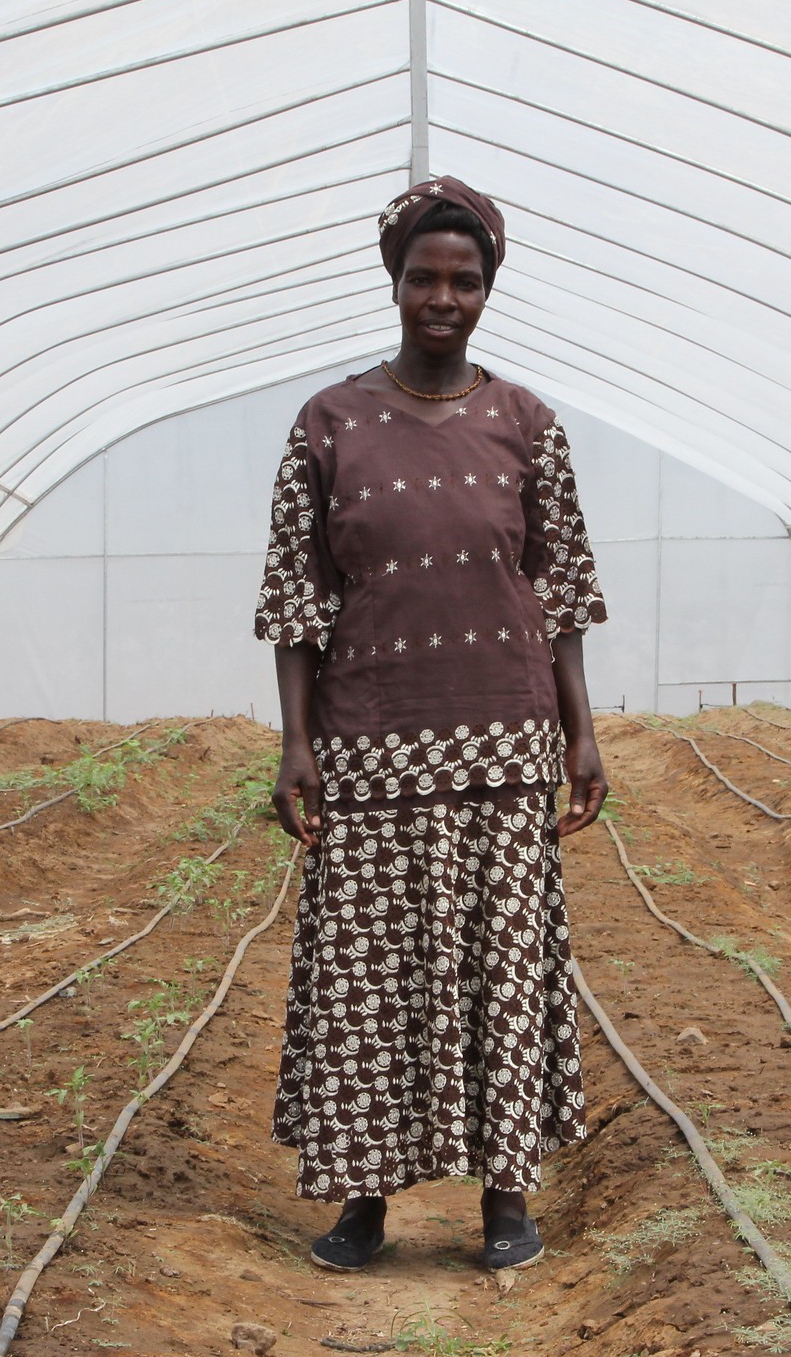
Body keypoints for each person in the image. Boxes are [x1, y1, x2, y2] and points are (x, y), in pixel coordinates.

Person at [254, 176, 608, 1274]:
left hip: (503, 743)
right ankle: (363, 1205)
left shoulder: (525, 426)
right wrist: (296, 743)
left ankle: (505, 1202)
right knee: (365, 976)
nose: (441, 297)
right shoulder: (328, 423)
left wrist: (580, 734)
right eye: (424, 278)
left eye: (463, 279)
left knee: (499, 968)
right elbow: (295, 599)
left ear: (488, 289)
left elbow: (557, 596)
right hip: (368, 743)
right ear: (393, 283)